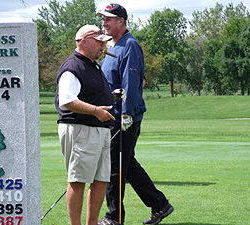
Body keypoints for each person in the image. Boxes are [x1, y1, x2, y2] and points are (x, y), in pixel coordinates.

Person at [97, 4, 174, 225]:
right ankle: (160, 205)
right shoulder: (111, 45)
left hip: (122, 117)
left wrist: (127, 114)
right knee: (127, 163)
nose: (104, 23)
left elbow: (132, 82)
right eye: (103, 19)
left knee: (115, 166)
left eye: (108, 19)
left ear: (121, 21)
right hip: (112, 114)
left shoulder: (129, 45)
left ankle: (114, 217)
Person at [55, 24, 116, 225]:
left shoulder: (92, 64)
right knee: (78, 180)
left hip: (98, 129)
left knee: (101, 180)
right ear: (84, 41)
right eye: (99, 42)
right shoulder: (73, 66)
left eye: (103, 42)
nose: (103, 47)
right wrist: (95, 110)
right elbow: (66, 100)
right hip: (81, 129)